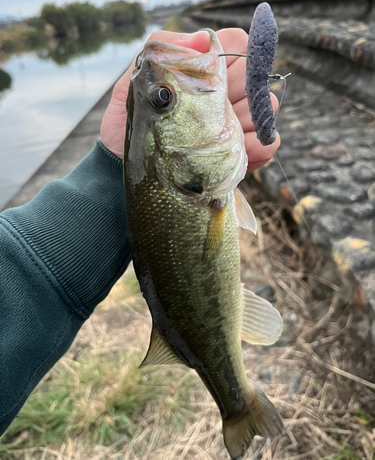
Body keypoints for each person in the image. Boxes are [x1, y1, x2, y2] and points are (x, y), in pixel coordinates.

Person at [0, 28, 280, 436]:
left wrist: (108, 169)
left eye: (162, 98)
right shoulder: (197, 188)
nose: (162, 93)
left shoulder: (195, 186)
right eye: (164, 100)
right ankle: (238, 406)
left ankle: (235, 401)